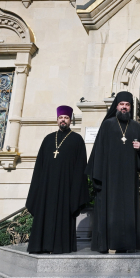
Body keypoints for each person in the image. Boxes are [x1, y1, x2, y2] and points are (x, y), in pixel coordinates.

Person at [85, 91, 140, 253]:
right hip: (110, 178)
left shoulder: (136, 126)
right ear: (116, 106)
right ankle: (109, 243)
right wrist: (99, 176)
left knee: (129, 210)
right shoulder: (108, 124)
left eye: (127, 105)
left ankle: (128, 245)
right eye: (121, 105)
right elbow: (99, 150)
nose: (124, 107)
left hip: (129, 179)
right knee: (110, 210)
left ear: (131, 107)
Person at [26, 105, 89, 254]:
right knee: (44, 216)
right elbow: (39, 167)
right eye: (61, 118)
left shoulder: (77, 140)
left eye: (66, 118)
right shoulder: (48, 139)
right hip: (46, 189)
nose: (63, 120)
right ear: (57, 119)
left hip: (65, 189)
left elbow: (81, 168)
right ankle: (40, 246)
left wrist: (75, 191)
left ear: (70, 120)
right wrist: (38, 188)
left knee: (63, 217)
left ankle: (60, 246)